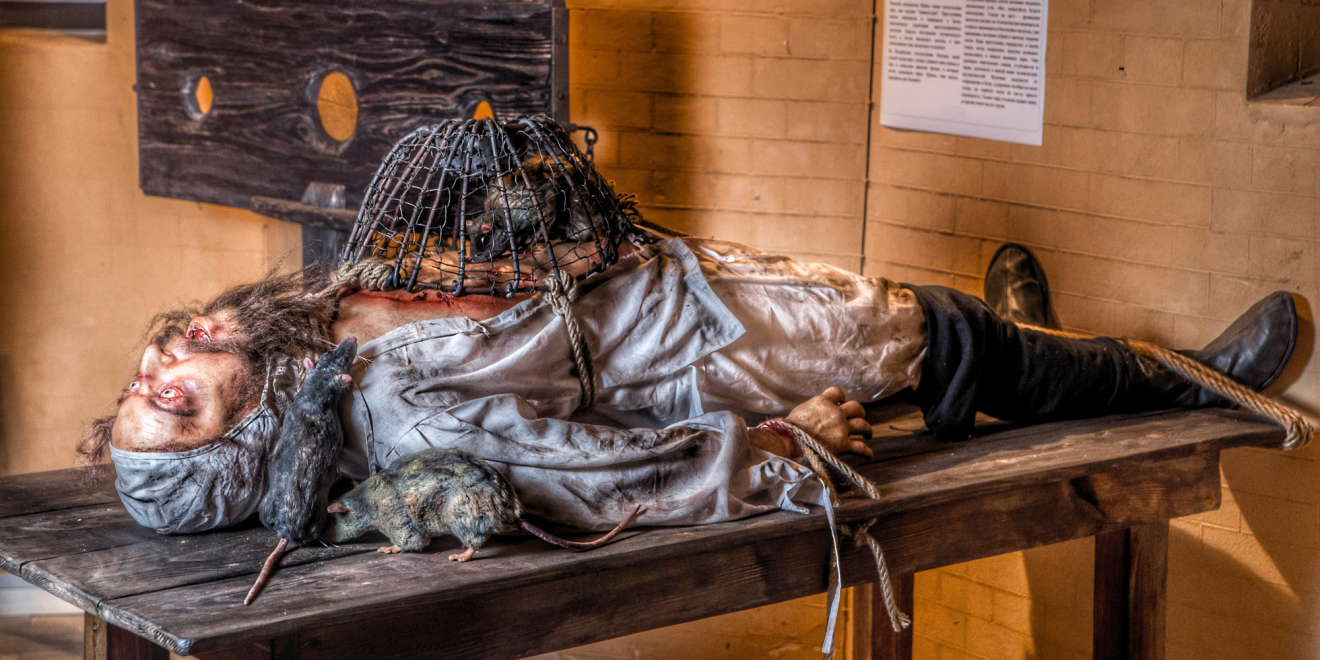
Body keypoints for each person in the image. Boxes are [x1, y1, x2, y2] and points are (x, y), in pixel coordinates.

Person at [88, 124, 1300, 536]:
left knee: (903, 317)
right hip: (687, 343)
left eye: (143, 376)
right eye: (173, 401)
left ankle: (1032, 353)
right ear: (239, 441)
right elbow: (587, 475)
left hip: (658, 284)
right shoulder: (394, 413)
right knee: (918, 330)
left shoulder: (306, 335)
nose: (161, 360)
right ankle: (1182, 381)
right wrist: (774, 451)